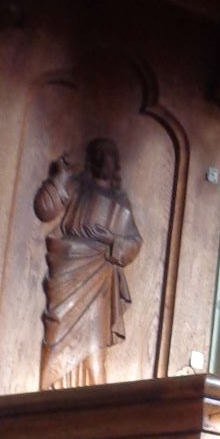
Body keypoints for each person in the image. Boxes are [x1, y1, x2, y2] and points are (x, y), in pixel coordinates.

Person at [33, 138, 143, 390]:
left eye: (110, 156)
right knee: (58, 328)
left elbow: (134, 242)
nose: (105, 161)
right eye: (100, 155)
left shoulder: (120, 201)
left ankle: (92, 397)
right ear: (93, 159)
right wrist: (59, 177)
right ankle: (49, 392)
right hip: (69, 265)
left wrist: (110, 239)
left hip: (101, 275)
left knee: (93, 343)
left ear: (115, 163)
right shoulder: (76, 187)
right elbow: (45, 210)